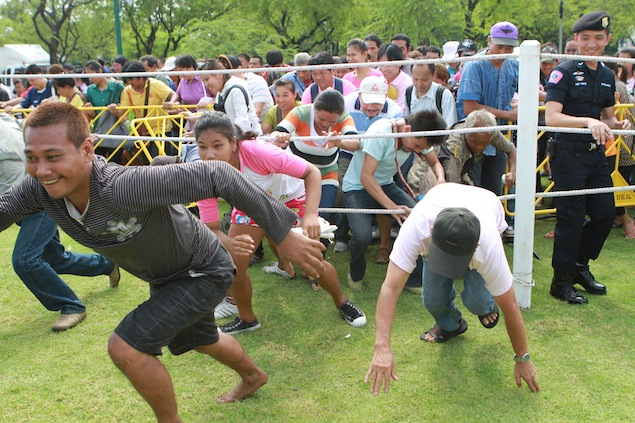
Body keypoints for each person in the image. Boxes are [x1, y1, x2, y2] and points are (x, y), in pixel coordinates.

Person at [0, 101, 326, 420]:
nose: (42, 170)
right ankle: (254, 376)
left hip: (203, 269)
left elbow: (218, 174)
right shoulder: (38, 189)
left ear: (86, 149)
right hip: (166, 276)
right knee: (202, 339)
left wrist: (283, 234)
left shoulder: (121, 187)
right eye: (32, 158)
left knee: (127, 347)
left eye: (53, 157)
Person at [190, 112, 366, 333]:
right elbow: (212, 228)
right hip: (250, 208)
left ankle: (342, 302)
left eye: (217, 145)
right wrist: (227, 241)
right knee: (231, 265)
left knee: (309, 259)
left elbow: (311, 172)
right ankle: (247, 319)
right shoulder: (203, 173)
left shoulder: (257, 151)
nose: (209, 155)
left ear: (233, 143)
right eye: (202, 147)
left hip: (289, 201)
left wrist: (310, 214)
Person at [364, 183, 539, 394]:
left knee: (478, 302)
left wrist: (523, 358)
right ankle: (452, 325)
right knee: (432, 300)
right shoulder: (417, 227)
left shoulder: (489, 245)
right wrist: (382, 348)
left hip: (485, 206)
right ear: (432, 233)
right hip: (442, 204)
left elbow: (511, 306)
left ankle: (485, 307)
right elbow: (390, 288)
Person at [0, 111, 120, 332]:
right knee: (55, 259)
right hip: (21, 205)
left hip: (38, 199)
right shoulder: (8, 120)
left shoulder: (5, 135)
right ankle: (106, 264)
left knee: (25, 260)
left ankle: (71, 306)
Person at [545, 11, 631, 304]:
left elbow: (607, 116)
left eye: (597, 38)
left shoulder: (607, 75)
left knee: (606, 213)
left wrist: (617, 124)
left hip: (596, 155)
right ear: (576, 40)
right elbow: (552, 117)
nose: (591, 44)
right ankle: (561, 281)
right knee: (570, 218)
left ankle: (579, 265)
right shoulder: (564, 71)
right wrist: (586, 122)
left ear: (607, 40)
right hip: (568, 154)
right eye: (585, 38)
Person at [342, 110, 447, 291]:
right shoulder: (381, 132)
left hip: (386, 185)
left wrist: (440, 180)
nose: (417, 151)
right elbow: (366, 177)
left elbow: (435, 163)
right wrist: (392, 207)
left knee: (420, 222)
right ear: (406, 129)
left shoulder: (420, 136)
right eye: (416, 146)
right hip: (357, 187)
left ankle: (413, 280)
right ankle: (355, 274)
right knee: (362, 236)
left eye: (421, 148)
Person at [338, 76, 403, 260]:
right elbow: (343, 135)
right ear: (359, 95)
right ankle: (344, 236)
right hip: (350, 152)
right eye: (368, 102)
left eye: (377, 103)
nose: (372, 108)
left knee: (384, 194)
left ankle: (383, 244)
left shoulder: (395, 110)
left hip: (381, 157)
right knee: (343, 191)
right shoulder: (346, 104)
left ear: (385, 97)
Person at [456, 21, 520, 198]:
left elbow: (529, 90)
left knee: (494, 193)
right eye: (499, 46)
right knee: (471, 190)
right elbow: (470, 108)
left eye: (509, 49)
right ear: (489, 41)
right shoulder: (474, 66)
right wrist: (509, 114)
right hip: (472, 138)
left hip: (498, 137)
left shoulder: (514, 65)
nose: (503, 52)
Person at [198, 58, 262, 134]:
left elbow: (242, 121)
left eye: (207, 79)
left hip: (248, 139)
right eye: (203, 81)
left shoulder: (236, 90)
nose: (206, 85)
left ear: (218, 74)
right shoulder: (220, 92)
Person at [377, 44, 412, 114]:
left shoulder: (408, 84)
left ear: (399, 63)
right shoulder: (378, 81)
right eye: (381, 64)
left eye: (388, 65)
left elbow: (400, 111)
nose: (383, 69)